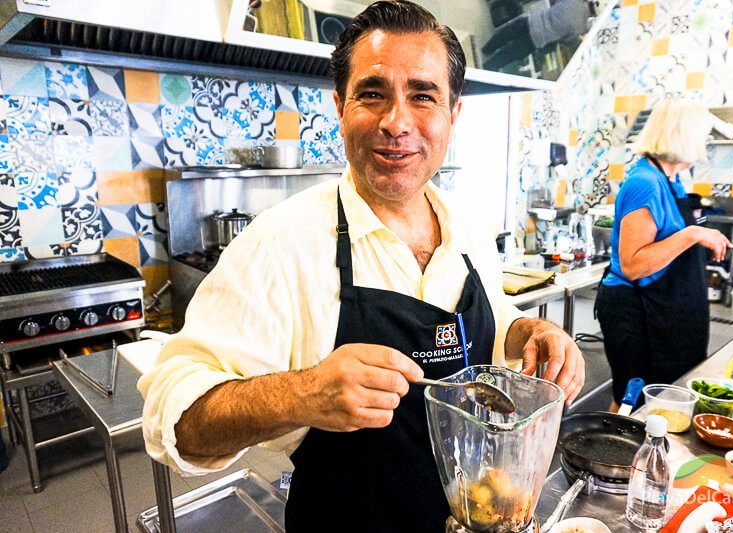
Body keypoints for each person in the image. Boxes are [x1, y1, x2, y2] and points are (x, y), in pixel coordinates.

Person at [138, 2, 584, 531]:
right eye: (372, 94)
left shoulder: (466, 227)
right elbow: (175, 418)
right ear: (341, 107)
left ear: (453, 115)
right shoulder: (281, 243)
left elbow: (484, 322)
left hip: (476, 515)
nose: (396, 122)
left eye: (423, 95)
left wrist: (524, 331)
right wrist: (302, 394)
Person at [595, 99, 732, 412]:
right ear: (683, 135)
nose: (705, 142)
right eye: (702, 134)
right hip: (637, 310)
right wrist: (692, 234)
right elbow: (632, 265)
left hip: (665, 310)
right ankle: (617, 457)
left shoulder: (672, 180)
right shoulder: (644, 182)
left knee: (663, 402)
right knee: (634, 402)